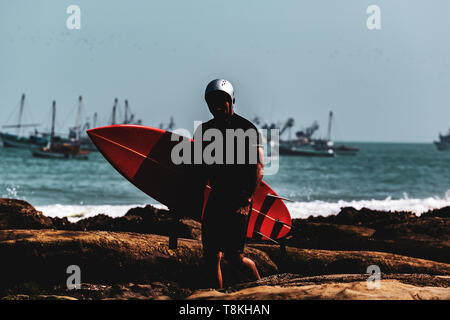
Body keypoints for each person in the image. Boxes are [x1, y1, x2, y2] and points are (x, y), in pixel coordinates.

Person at [193, 79, 264, 289]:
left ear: (231, 100)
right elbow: (200, 169)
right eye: (212, 102)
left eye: (221, 101)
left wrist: (247, 200)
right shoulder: (204, 130)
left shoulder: (247, 129)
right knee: (211, 255)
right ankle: (217, 295)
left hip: (238, 200)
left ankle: (261, 290)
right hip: (216, 198)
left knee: (234, 257)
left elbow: (258, 169)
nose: (216, 106)